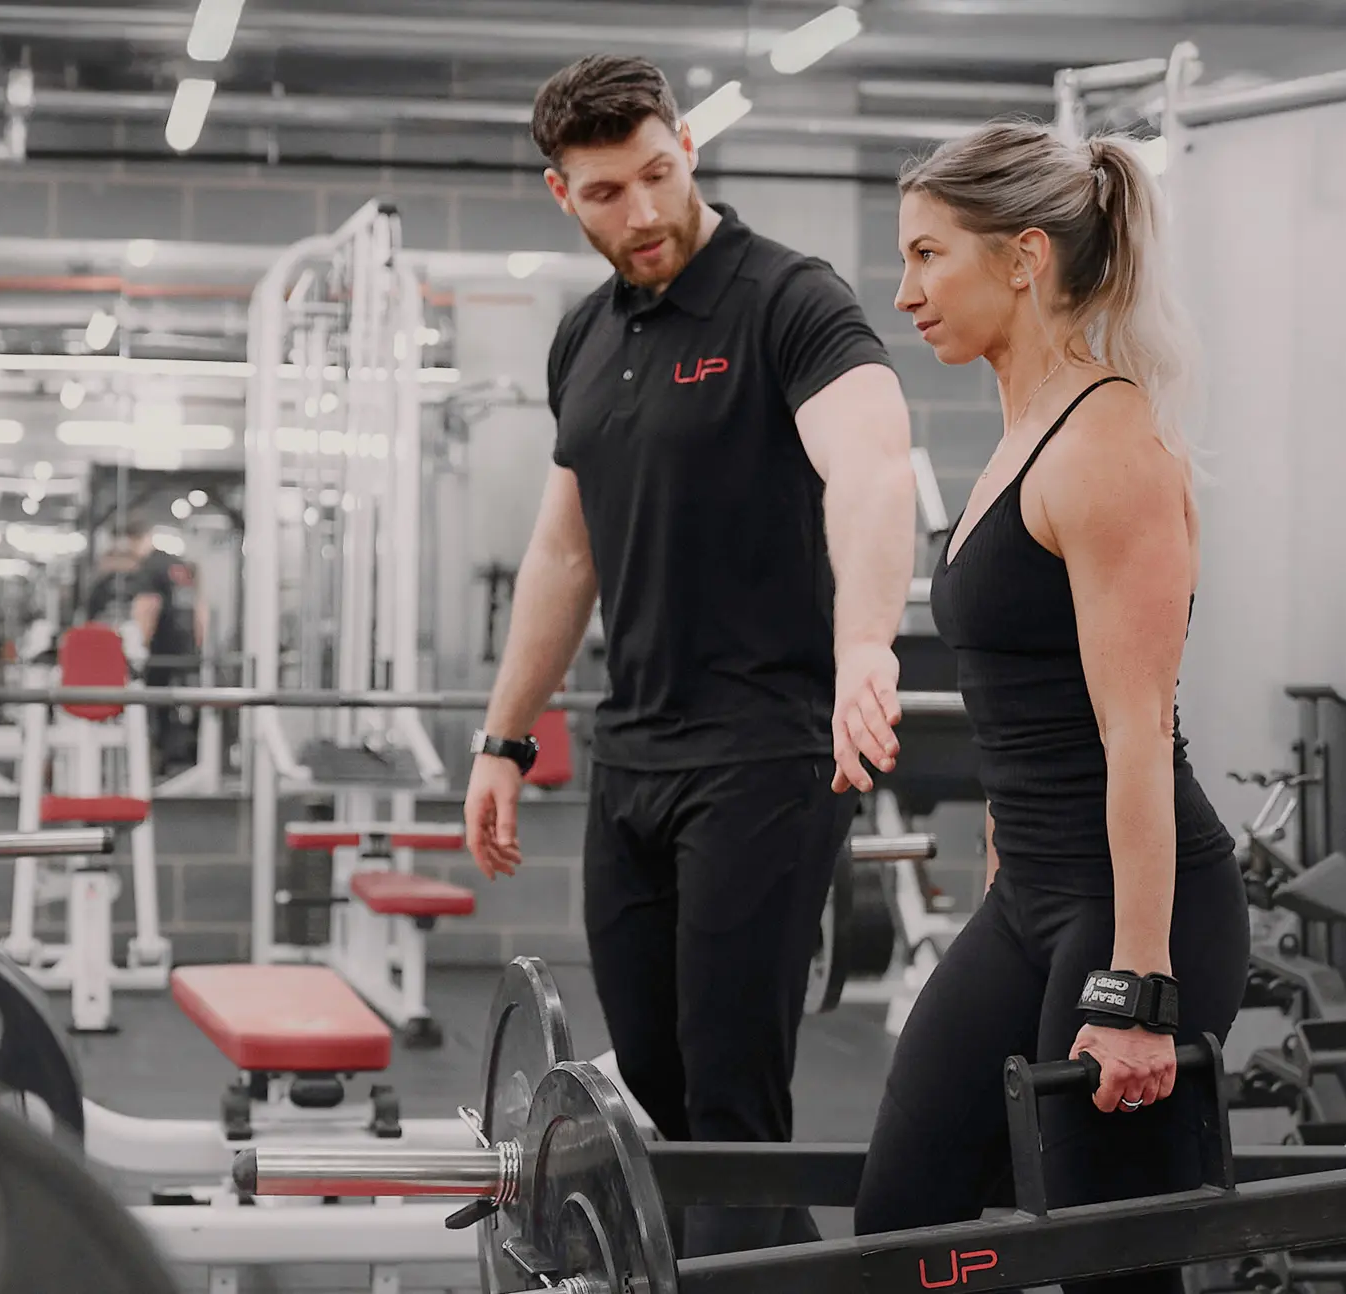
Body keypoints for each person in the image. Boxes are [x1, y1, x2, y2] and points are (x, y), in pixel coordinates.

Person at [461, 56, 919, 1256]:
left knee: (729, 1110)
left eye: (658, 175)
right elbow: (563, 557)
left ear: (688, 152)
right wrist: (505, 736)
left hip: (763, 756)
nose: (645, 212)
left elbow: (870, 468)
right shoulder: (583, 336)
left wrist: (866, 639)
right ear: (563, 194)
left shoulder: (787, 300)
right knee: (644, 1105)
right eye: (608, 191)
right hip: (633, 759)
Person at [853, 122, 1249, 1286]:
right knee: (907, 1216)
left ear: (1023, 257)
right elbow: (1021, 699)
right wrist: (993, 859)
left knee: (1107, 1262)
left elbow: (1135, 733)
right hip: (1029, 897)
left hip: (1129, 917)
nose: (905, 289)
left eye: (929, 255)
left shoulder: (1107, 443)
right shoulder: (1017, 432)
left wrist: (1136, 989)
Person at [123, 521, 207, 774]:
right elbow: (200, 608)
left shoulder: (148, 567)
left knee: (157, 706)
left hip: (160, 651)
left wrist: (139, 649)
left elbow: (148, 607)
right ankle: (189, 760)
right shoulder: (179, 565)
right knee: (187, 704)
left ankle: (162, 763)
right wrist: (197, 644)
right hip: (186, 648)